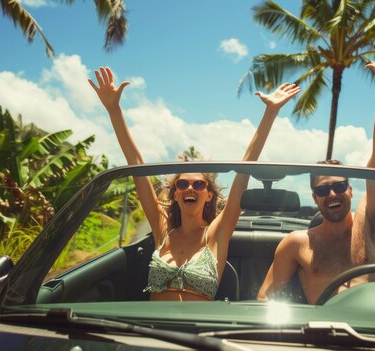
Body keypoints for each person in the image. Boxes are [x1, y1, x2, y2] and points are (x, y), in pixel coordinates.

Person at [89, 67, 300, 301]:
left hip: (195, 334)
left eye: (199, 185)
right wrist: (113, 110)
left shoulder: (217, 233)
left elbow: (244, 168)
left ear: (209, 195)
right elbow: (137, 166)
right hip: (150, 331)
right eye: (183, 185)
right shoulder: (163, 229)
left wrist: (270, 113)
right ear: (176, 194)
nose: (190, 188)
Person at [257, 37, 375, 304]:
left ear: (351, 189)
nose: (332, 193)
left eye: (339, 186)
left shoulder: (368, 224)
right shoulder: (296, 244)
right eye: (322, 189)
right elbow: (264, 299)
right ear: (314, 198)